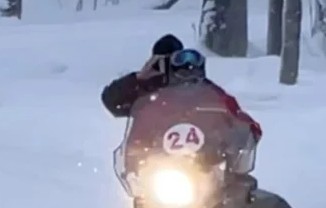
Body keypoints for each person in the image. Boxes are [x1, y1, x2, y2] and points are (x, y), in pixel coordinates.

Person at [101, 33, 262, 140]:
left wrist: (242, 134)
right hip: (155, 165)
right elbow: (112, 102)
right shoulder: (144, 89)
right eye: (161, 61)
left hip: (202, 162)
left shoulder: (204, 90)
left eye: (177, 60)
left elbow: (237, 116)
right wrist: (138, 78)